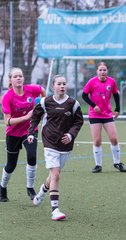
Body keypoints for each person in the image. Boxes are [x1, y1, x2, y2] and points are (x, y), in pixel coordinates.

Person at [28, 75, 84, 221]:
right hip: (49, 142)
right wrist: (31, 133)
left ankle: (41, 192)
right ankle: (55, 210)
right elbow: (35, 117)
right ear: (53, 86)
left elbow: (79, 122)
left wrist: (71, 135)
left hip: (65, 145)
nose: (62, 86)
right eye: (59, 84)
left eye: (64, 83)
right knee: (56, 174)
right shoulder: (44, 102)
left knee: (54, 174)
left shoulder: (73, 103)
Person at [0, 67, 46, 202]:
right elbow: (8, 121)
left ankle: (30, 188)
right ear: (11, 80)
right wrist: (26, 117)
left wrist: (43, 107)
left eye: (20, 76)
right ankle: (2, 187)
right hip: (13, 134)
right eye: (15, 76)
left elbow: (42, 91)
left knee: (32, 157)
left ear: (23, 78)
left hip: (30, 130)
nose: (18, 78)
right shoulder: (7, 97)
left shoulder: (31, 89)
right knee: (10, 165)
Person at [82, 62, 126, 173]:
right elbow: (84, 95)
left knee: (114, 139)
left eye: (104, 70)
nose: (102, 72)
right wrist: (93, 106)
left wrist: (117, 109)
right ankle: (98, 165)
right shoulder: (91, 82)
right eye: (100, 70)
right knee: (97, 141)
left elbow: (116, 94)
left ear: (107, 71)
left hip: (107, 114)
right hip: (94, 114)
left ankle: (117, 162)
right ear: (97, 71)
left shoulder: (111, 81)